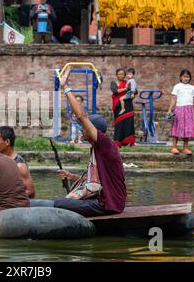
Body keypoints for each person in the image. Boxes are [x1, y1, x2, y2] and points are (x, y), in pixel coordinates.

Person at [34, 68, 127, 217]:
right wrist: (71, 176)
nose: (82, 130)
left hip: (108, 205)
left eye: (84, 128)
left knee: (59, 203)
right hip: (105, 200)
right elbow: (95, 182)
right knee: (58, 203)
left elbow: (81, 116)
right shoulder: (97, 149)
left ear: (93, 130)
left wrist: (65, 87)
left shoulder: (105, 144)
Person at [167, 69, 194, 155]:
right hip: (179, 109)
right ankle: (174, 147)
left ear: (190, 78)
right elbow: (173, 98)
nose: (186, 78)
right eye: (184, 76)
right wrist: (169, 109)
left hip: (189, 110)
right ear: (180, 77)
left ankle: (186, 148)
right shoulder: (177, 86)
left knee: (187, 129)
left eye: (187, 77)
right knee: (176, 127)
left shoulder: (192, 87)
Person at [110, 68, 136, 148]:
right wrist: (126, 88)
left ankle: (131, 142)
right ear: (116, 75)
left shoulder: (128, 82)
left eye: (122, 74)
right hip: (118, 105)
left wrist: (132, 92)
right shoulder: (113, 83)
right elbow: (115, 91)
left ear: (125, 75)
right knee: (119, 123)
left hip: (127, 104)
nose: (121, 76)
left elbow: (135, 90)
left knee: (129, 123)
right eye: (119, 74)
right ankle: (118, 142)